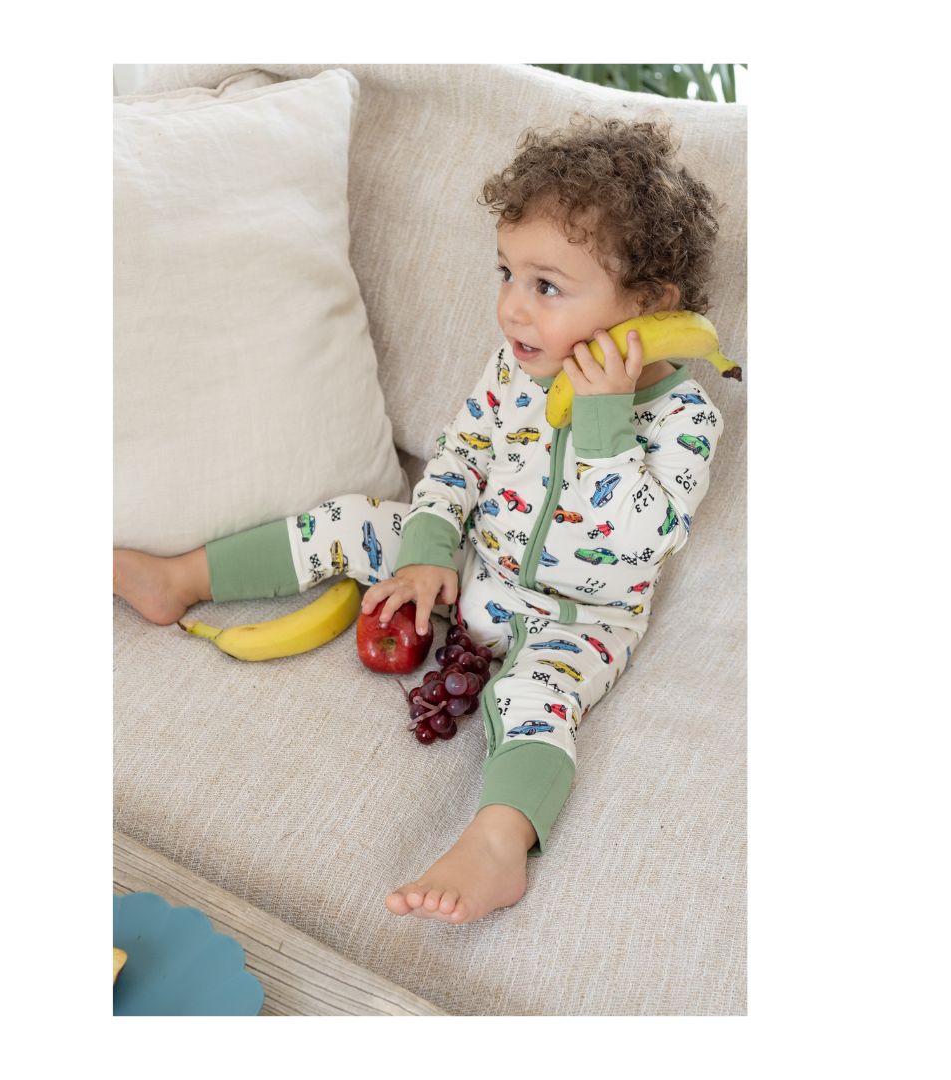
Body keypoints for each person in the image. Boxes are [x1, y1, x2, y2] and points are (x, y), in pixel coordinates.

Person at [114, 114, 725, 925]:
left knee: (538, 696)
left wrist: (606, 422)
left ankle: (499, 844)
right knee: (355, 521)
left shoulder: (687, 420)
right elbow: (461, 457)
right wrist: (428, 548)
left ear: (649, 306)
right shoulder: (517, 367)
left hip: (579, 615)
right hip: (476, 560)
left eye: (546, 286)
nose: (511, 308)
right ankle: (181, 577)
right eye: (506, 272)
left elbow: (638, 538)